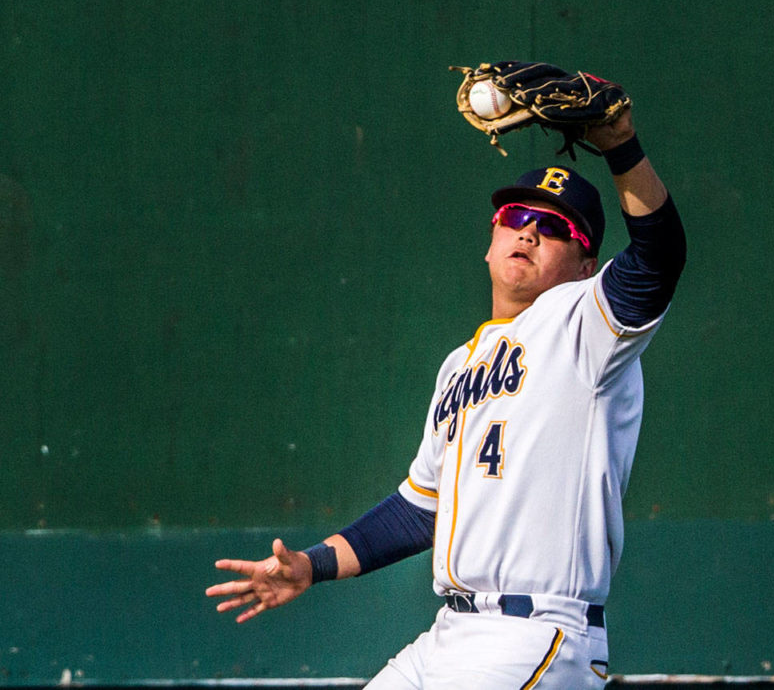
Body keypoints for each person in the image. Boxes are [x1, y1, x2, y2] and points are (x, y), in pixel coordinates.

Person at [206, 103, 686, 688]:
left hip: (534, 632)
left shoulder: (583, 327)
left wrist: (620, 144)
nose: (530, 231)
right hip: (449, 634)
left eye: (557, 227)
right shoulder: (459, 367)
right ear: (490, 242)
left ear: (587, 266)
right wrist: (311, 564)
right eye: (516, 216)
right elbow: (417, 510)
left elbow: (658, 260)